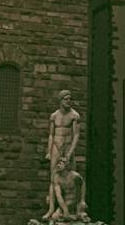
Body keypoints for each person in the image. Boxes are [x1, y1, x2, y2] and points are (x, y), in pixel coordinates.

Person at [46, 91, 82, 219]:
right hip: (56, 147)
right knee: (53, 178)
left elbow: (76, 135)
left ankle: (66, 209)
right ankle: (51, 209)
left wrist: (70, 152)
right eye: (66, 99)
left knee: (69, 177)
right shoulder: (54, 116)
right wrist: (49, 151)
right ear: (60, 100)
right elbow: (51, 134)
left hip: (67, 147)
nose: (68, 101)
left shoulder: (74, 115)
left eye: (69, 99)